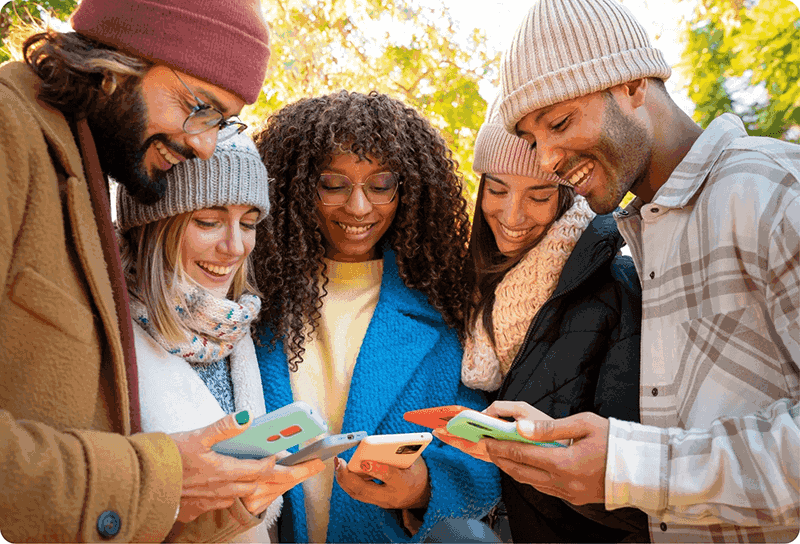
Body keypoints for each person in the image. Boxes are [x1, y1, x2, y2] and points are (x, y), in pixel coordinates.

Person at [477, 0, 800, 542]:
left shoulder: (771, 191)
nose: (548, 159)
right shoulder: (642, 235)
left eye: (559, 122)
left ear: (631, 85)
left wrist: (629, 466)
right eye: (533, 140)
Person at [0, 0, 279, 541]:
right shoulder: (10, 133)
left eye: (221, 123)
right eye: (198, 107)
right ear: (120, 57)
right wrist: (162, 477)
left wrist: (231, 501)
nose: (203, 145)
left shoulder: (82, 167)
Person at [250, 90, 502, 543]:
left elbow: (483, 461)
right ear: (296, 187)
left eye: (380, 185)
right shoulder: (253, 306)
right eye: (334, 184)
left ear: (408, 190)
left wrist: (424, 488)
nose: (359, 207)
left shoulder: (445, 315)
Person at [437, 95, 648, 543]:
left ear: (566, 194)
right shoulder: (462, 291)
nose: (512, 217)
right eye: (497, 190)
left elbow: (639, 499)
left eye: (537, 195)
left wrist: (551, 457)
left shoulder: (617, 287)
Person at [116, 132, 325, 543]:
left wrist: (248, 502)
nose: (234, 247)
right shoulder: (108, 333)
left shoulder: (233, 326)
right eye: (208, 221)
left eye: (248, 223)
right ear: (152, 224)